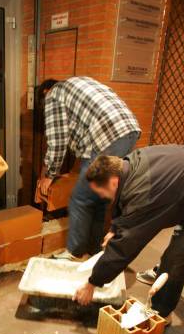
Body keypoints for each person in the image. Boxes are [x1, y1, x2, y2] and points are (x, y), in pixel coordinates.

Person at [73, 145, 184, 319]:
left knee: (176, 261)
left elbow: (126, 247)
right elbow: (124, 200)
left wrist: (92, 283)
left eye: (103, 193)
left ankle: (159, 312)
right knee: (176, 247)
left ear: (113, 181)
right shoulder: (128, 164)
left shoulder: (143, 192)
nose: (104, 198)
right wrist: (115, 229)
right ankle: (163, 273)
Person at [38, 77, 141, 259]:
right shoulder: (79, 83)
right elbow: (83, 142)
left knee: (80, 198)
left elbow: (58, 141)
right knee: (99, 196)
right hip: (129, 130)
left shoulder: (53, 96)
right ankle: (94, 251)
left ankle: (75, 253)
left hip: (108, 135)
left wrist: (49, 174)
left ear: (46, 92)